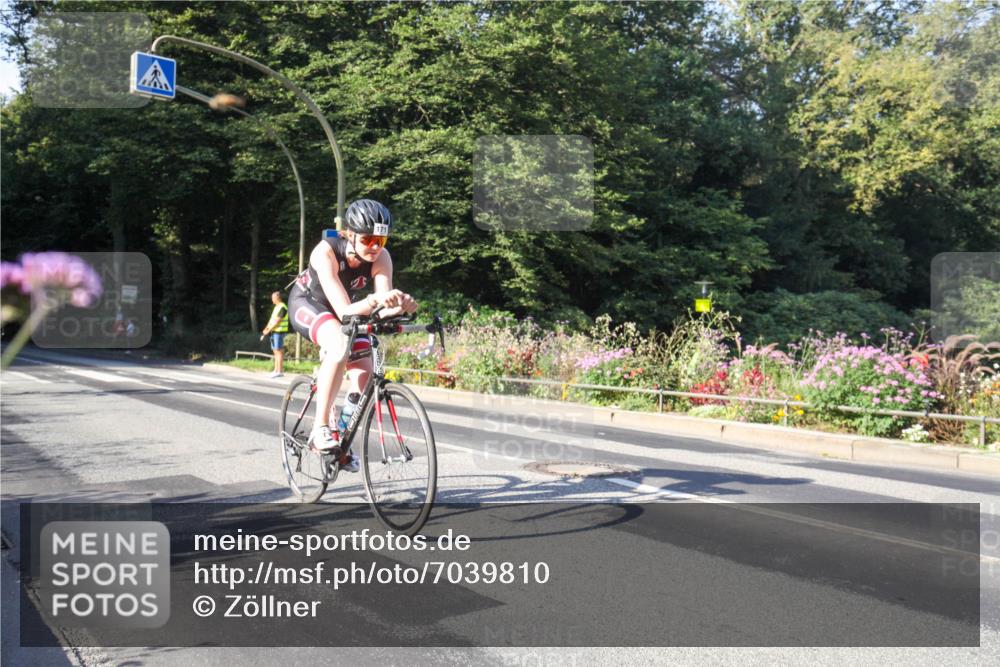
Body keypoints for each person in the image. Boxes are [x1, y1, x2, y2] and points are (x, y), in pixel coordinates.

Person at [287, 199, 417, 468]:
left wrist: (400, 306)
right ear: (348, 233)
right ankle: (320, 428)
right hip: (310, 303)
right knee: (338, 343)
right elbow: (346, 310)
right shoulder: (325, 253)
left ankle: (341, 437)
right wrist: (376, 301)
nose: (374, 247)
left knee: (366, 371)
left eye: (380, 241)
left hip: (347, 310)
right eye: (368, 239)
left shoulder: (382, 257)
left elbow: (380, 306)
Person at [262, 291, 289, 378]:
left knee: (279, 351)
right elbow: (272, 319)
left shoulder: (282, 307)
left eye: (273, 297)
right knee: (275, 351)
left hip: (279, 332)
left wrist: (268, 330)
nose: (272, 299)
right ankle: (276, 370)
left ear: (278, 297)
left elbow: (277, 321)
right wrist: (266, 328)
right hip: (274, 332)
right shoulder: (277, 307)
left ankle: (279, 371)